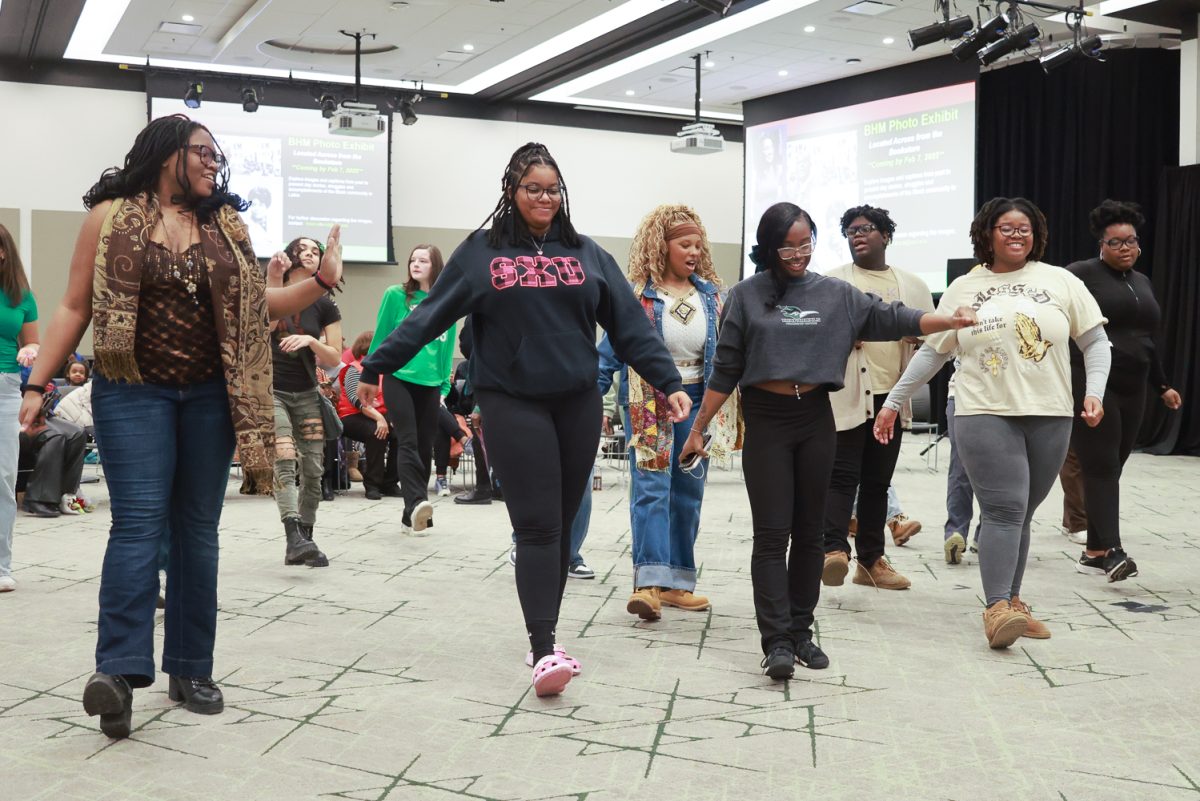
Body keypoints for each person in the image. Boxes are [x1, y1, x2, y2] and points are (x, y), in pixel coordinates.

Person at [18, 113, 345, 739]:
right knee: (138, 523)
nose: (213, 163)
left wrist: (322, 280)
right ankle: (117, 673)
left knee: (198, 531)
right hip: (132, 391)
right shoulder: (110, 217)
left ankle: (192, 666)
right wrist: (38, 385)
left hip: (208, 398)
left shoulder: (225, 225)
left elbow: (260, 304)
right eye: (203, 152)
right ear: (168, 152)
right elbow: (73, 305)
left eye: (217, 156)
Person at [358, 142, 690, 697]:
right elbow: (432, 314)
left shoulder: (586, 253)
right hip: (512, 400)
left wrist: (669, 381)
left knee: (560, 524)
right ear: (512, 191)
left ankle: (549, 632)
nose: (544, 197)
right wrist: (377, 365)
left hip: (577, 400)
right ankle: (542, 649)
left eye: (552, 188)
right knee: (536, 523)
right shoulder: (482, 253)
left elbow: (629, 324)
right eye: (532, 188)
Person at [679, 202, 973, 680]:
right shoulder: (745, 296)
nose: (798, 254)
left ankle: (801, 631)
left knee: (811, 533)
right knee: (773, 535)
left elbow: (895, 318)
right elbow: (726, 368)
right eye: (787, 246)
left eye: (806, 244)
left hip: (817, 416)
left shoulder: (837, 294)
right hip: (767, 420)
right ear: (769, 247)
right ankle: (774, 641)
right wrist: (698, 429)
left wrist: (949, 321)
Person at [874, 197, 1110, 649]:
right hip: (983, 412)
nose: (1017, 234)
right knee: (1004, 509)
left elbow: (1095, 342)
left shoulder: (1060, 280)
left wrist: (1094, 391)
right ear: (987, 234)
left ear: (1036, 234)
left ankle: (1013, 601)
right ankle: (997, 607)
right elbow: (933, 351)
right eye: (1006, 227)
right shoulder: (965, 286)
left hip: (1051, 413)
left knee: (1022, 513)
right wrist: (894, 401)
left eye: (1024, 227)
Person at [598, 204, 739, 620]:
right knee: (652, 488)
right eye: (684, 243)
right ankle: (648, 584)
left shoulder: (712, 295)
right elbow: (610, 351)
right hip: (648, 399)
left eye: (698, 244)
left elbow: (732, 349)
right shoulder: (637, 296)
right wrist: (595, 399)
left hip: (699, 401)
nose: (693, 251)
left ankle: (678, 582)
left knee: (689, 490)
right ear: (661, 246)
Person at [1066, 200, 1181, 581]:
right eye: (1116, 243)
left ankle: (1094, 549)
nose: (1126, 248)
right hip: (1093, 383)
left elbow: (1148, 338)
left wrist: (1162, 385)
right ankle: (1113, 551)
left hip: (1135, 387)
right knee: (1101, 466)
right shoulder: (1079, 275)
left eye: (1131, 241)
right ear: (1101, 244)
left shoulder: (1142, 282)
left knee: (1113, 467)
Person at [823, 205, 934, 591]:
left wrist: (915, 337)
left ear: (885, 235)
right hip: (849, 393)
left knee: (878, 480)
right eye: (850, 231)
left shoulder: (913, 285)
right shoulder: (833, 281)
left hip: (892, 394)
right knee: (841, 474)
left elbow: (934, 340)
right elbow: (814, 330)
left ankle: (870, 562)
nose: (857, 235)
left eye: (866, 229)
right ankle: (833, 550)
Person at [368, 244, 455, 533]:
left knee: (424, 445)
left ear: (436, 266)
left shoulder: (445, 302)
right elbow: (381, 335)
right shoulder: (395, 295)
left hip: (431, 385)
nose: (415, 264)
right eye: (412, 259)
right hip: (398, 377)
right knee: (406, 440)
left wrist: (444, 385)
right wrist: (371, 369)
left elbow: (447, 346)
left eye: (423, 260)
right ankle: (418, 500)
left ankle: (410, 515)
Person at [270, 238, 343, 566]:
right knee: (284, 457)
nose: (313, 255)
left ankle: (306, 536)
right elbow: (260, 329)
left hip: (307, 393)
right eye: (306, 250)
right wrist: (273, 280)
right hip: (272, 392)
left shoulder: (325, 305)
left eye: (318, 251)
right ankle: (292, 535)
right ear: (291, 256)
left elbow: (334, 360)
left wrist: (312, 340)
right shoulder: (274, 290)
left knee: (314, 467)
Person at [0, 222, 39, 593]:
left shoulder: (21, 296)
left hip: (6, 388)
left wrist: (31, 353)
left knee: (3, 479)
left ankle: (1, 566)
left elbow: (33, 345)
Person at [337, 330, 400, 500]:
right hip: (351, 415)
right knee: (377, 433)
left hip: (378, 415)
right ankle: (372, 484)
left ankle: (391, 482)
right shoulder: (354, 369)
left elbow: (392, 398)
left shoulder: (385, 371)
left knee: (401, 434)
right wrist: (380, 419)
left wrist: (392, 418)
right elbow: (356, 400)